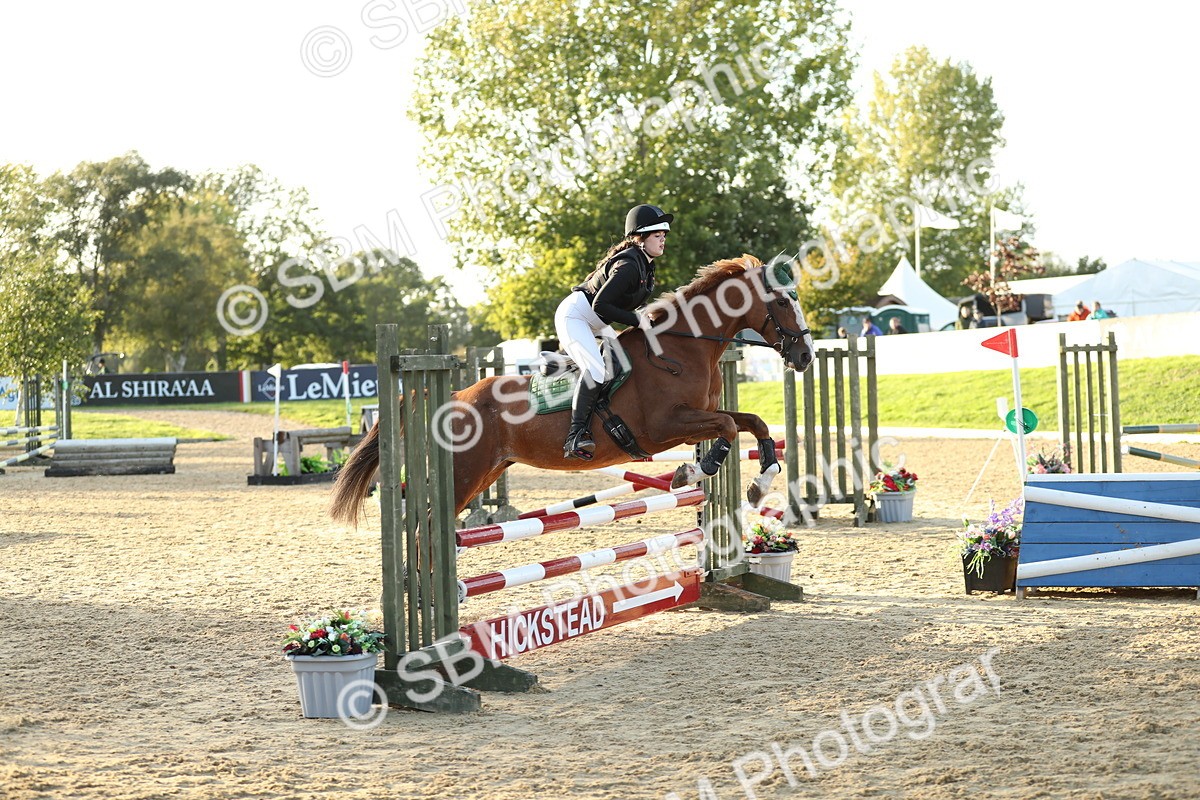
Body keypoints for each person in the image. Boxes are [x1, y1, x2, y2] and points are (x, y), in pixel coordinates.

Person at [554, 204, 670, 459]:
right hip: (576, 317)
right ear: (640, 238)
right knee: (596, 370)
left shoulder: (645, 265)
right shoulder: (629, 265)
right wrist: (637, 320)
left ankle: (566, 363)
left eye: (664, 235)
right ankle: (575, 436)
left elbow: (624, 304)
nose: (663, 239)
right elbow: (601, 305)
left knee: (625, 363)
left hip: (596, 321)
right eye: (657, 235)